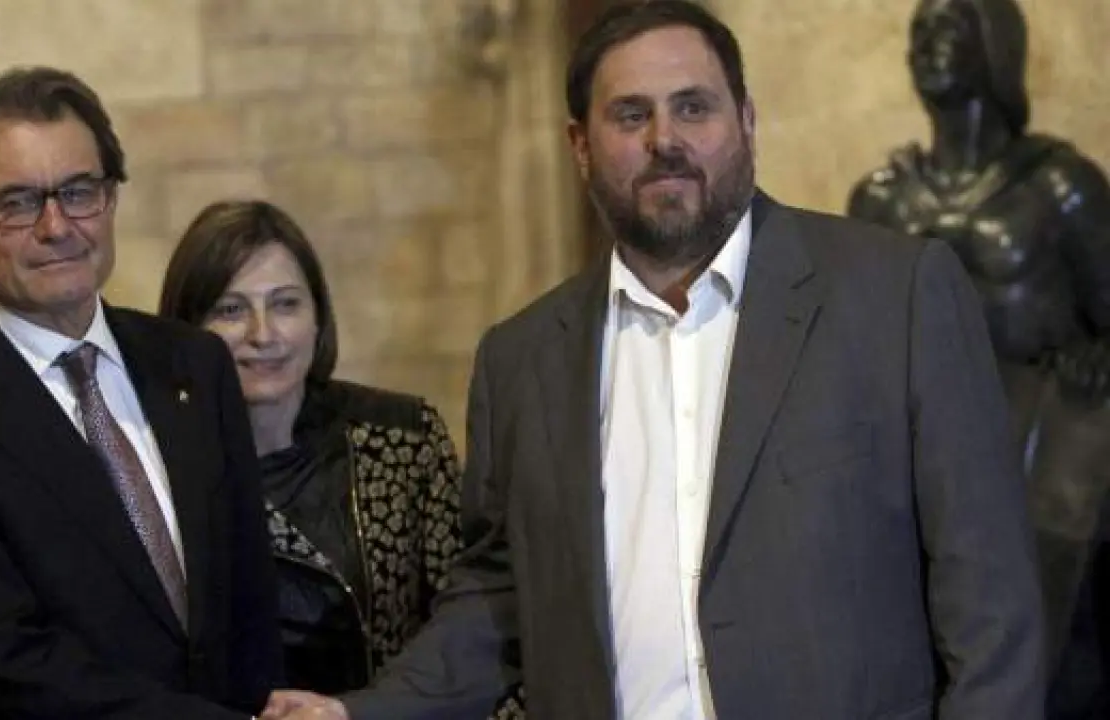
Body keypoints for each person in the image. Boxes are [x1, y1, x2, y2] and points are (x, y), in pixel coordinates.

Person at [332, 2, 1046, 719]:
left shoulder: (896, 297)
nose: (665, 140)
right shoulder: (520, 360)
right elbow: (499, 597)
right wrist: (357, 713)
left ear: (747, 121)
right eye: (631, 115)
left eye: (693, 107)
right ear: (580, 146)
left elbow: (992, 603)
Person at [0, 67, 282, 719]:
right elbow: (0, 664)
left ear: (112, 198)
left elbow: (249, 602)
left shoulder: (195, 364)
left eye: (79, 192)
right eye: (17, 203)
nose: (57, 226)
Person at [847, 1, 1110, 714]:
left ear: (996, 47)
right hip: (920, 443)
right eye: (919, 33)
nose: (927, 46)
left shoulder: (1060, 186)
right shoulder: (881, 201)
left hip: (1037, 435)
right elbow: (855, 345)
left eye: (949, 30)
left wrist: (1095, 358)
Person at [158, 201, 464, 700]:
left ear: (318, 318)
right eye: (231, 310)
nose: (263, 335)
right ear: (187, 328)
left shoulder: (404, 438)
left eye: (285, 304)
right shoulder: (157, 467)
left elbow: (467, 627)